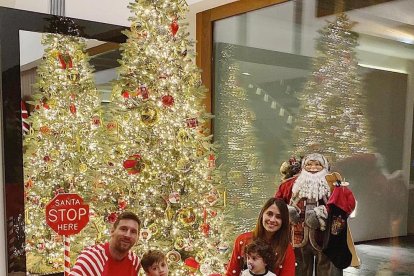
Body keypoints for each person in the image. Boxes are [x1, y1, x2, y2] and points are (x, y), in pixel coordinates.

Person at [275, 153, 355, 276]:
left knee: (327, 270)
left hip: (326, 241)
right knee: (298, 270)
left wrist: (322, 213)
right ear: (303, 167)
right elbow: (276, 205)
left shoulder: (334, 186)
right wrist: (287, 211)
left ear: (325, 167)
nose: (313, 167)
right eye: (309, 164)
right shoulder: (289, 185)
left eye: (318, 164)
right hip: (296, 240)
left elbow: (347, 205)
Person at [226, 198, 295, 276]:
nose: (272, 220)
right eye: (269, 214)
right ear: (262, 214)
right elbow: (231, 273)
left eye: (278, 217)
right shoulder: (242, 240)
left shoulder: (286, 249)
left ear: (283, 221)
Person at [70, 211, 141, 276]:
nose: (127, 235)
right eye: (123, 229)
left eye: (133, 232)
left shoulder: (135, 261)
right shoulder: (91, 258)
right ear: (112, 231)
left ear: (137, 237)